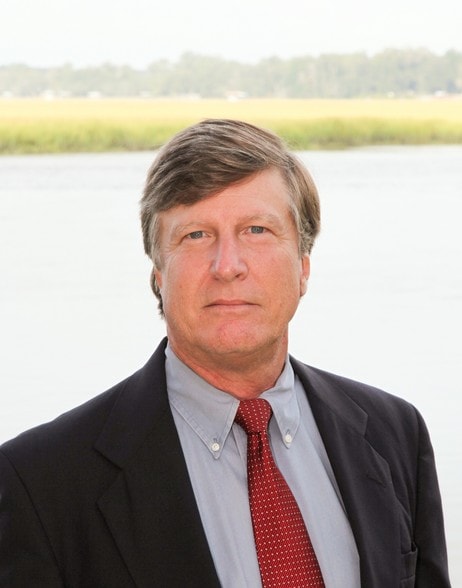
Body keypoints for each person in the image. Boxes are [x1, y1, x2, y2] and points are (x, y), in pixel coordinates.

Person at [0, 119, 450, 587]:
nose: (228, 266)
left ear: (303, 266)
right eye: (196, 235)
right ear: (158, 272)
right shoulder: (39, 483)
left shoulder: (395, 434)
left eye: (257, 230)